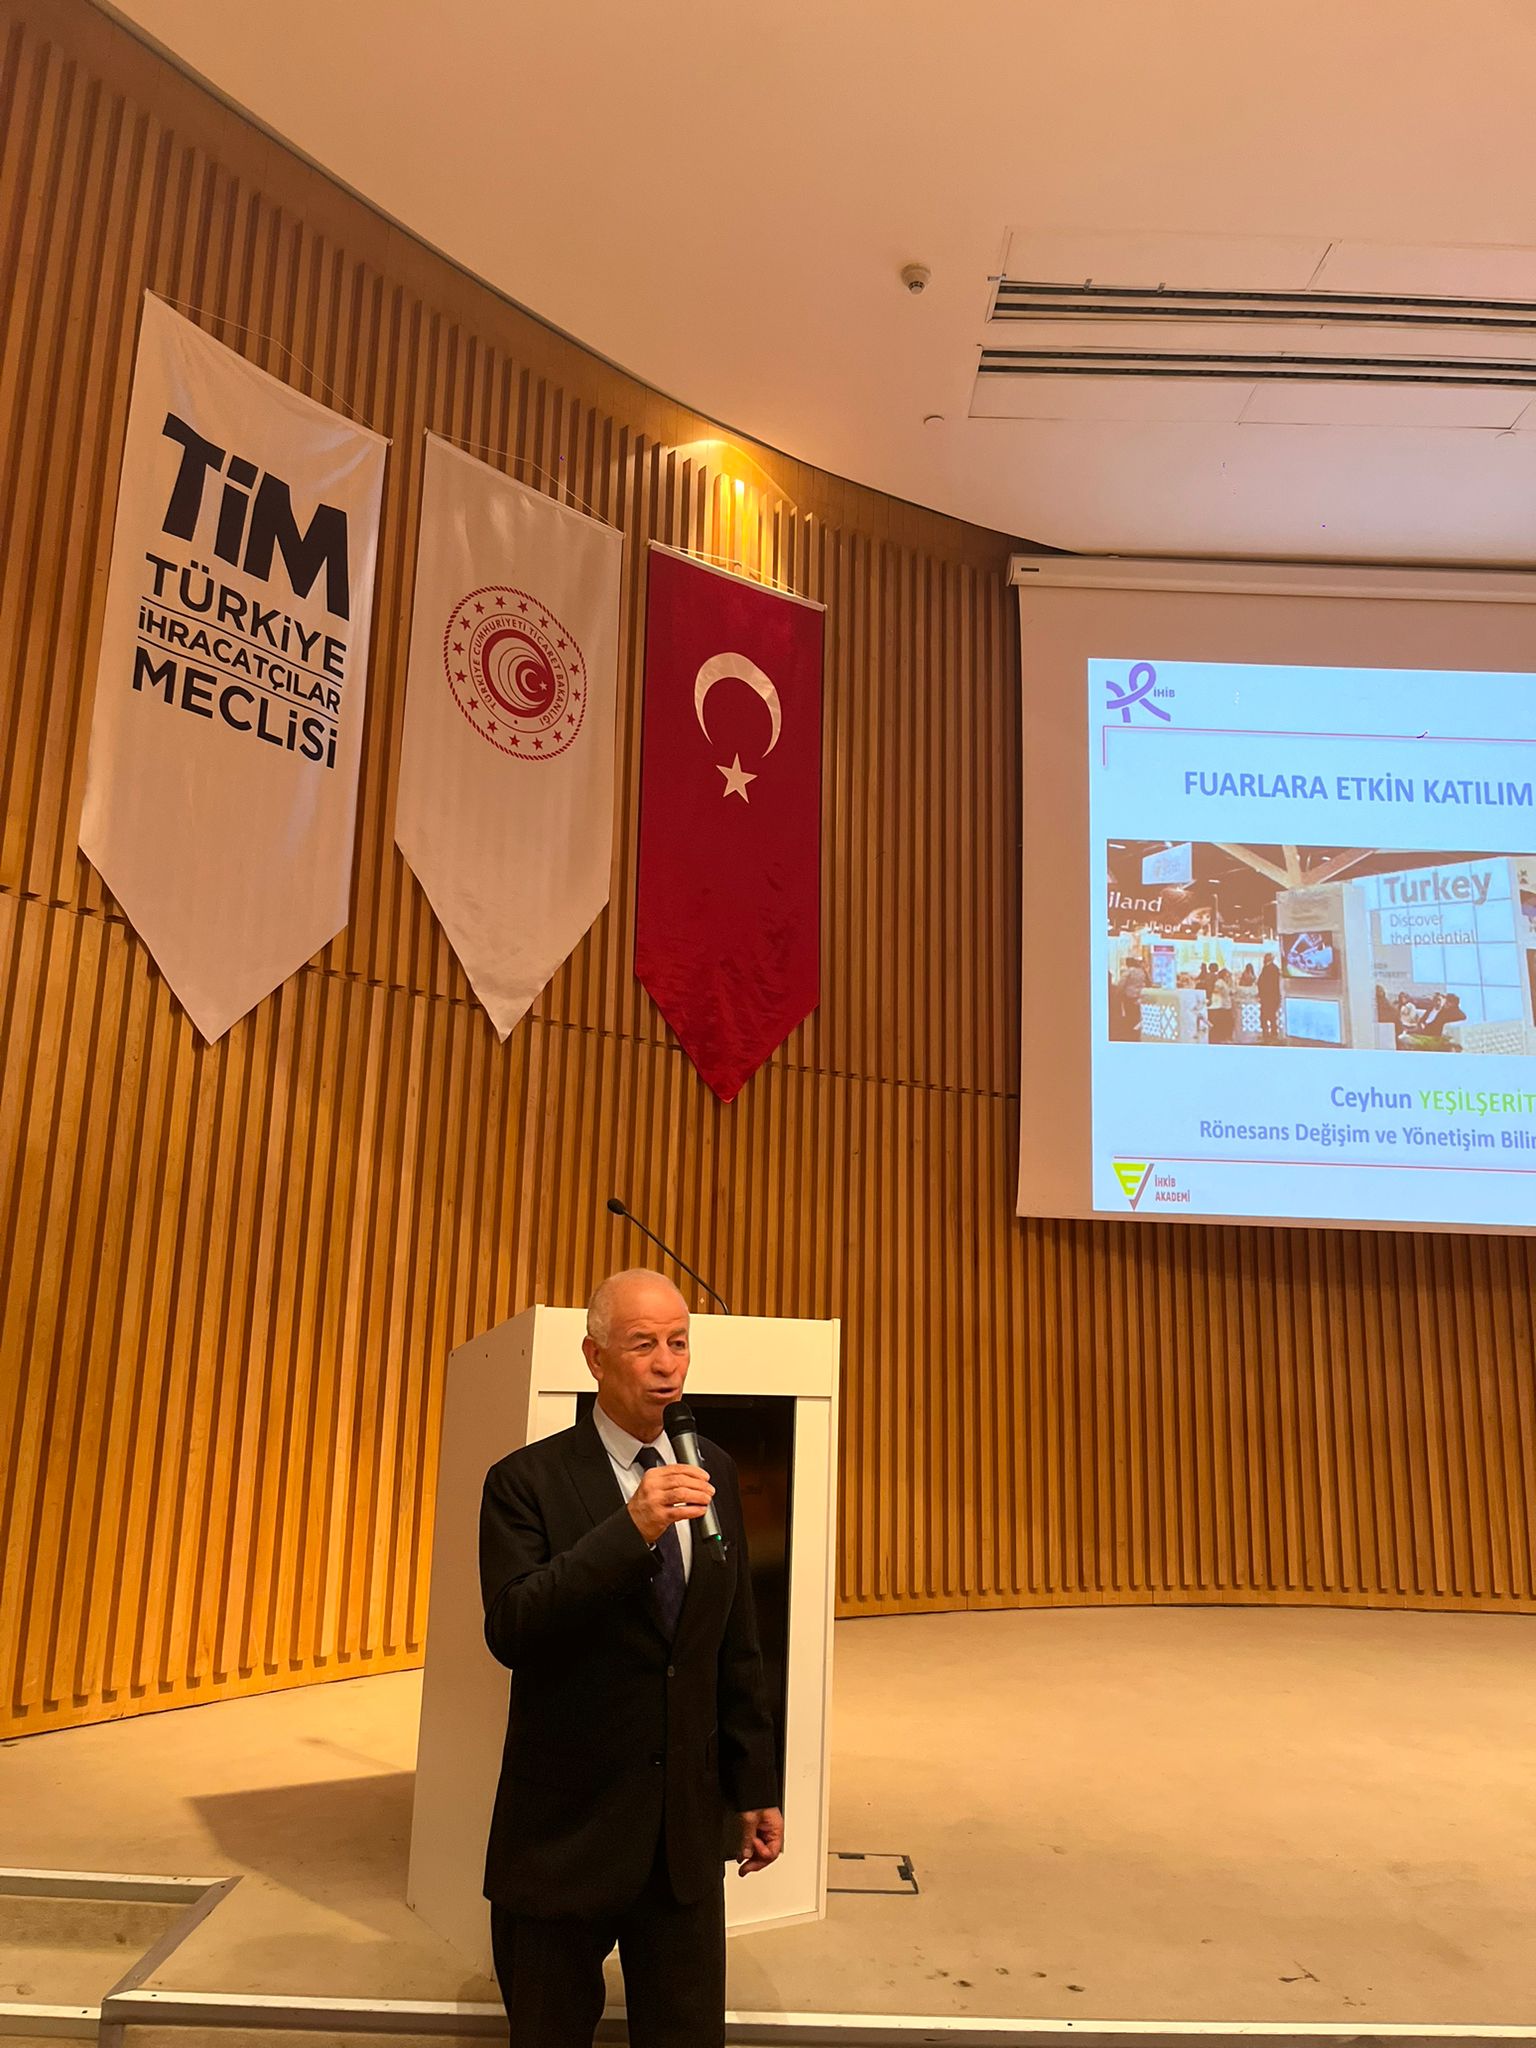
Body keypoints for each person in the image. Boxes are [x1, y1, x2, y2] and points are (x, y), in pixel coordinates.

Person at [479, 1268, 782, 2047]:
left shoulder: (709, 1465)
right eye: (643, 1344)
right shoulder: (525, 1481)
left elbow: (734, 1641)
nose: (666, 1364)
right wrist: (631, 1529)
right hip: (564, 1834)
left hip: (681, 1837)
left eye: (678, 1343)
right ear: (595, 1357)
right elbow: (513, 1627)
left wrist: (753, 1785)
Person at [1257, 953, 1282, 1041]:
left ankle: (1268, 1033)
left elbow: (1266, 983)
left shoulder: (1270, 969)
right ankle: (1271, 1033)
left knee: (1267, 1016)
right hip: (1270, 997)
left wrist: (1261, 993)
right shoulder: (1272, 968)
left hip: (1268, 997)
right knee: (1270, 1016)